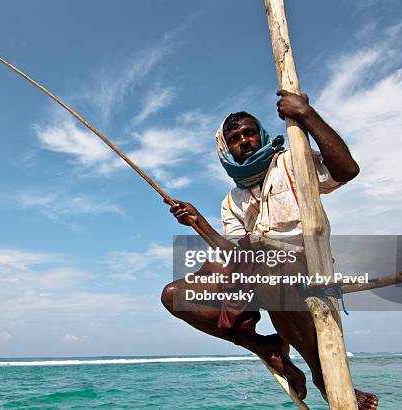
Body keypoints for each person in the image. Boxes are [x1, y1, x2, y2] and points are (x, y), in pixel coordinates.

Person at [161, 90, 379, 409]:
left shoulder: (292, 161)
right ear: (227, 148)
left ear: (261, 135)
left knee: (271, 271)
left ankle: (323, 379)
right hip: (259, 270)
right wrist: (198, 223)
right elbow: (237, 255)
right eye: (235, 137)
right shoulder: (232, 201)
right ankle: (266, 346)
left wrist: (306, 114)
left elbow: (347, 170)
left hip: (302, 266)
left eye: (250, 132)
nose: (245, 140)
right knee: (174, 294)